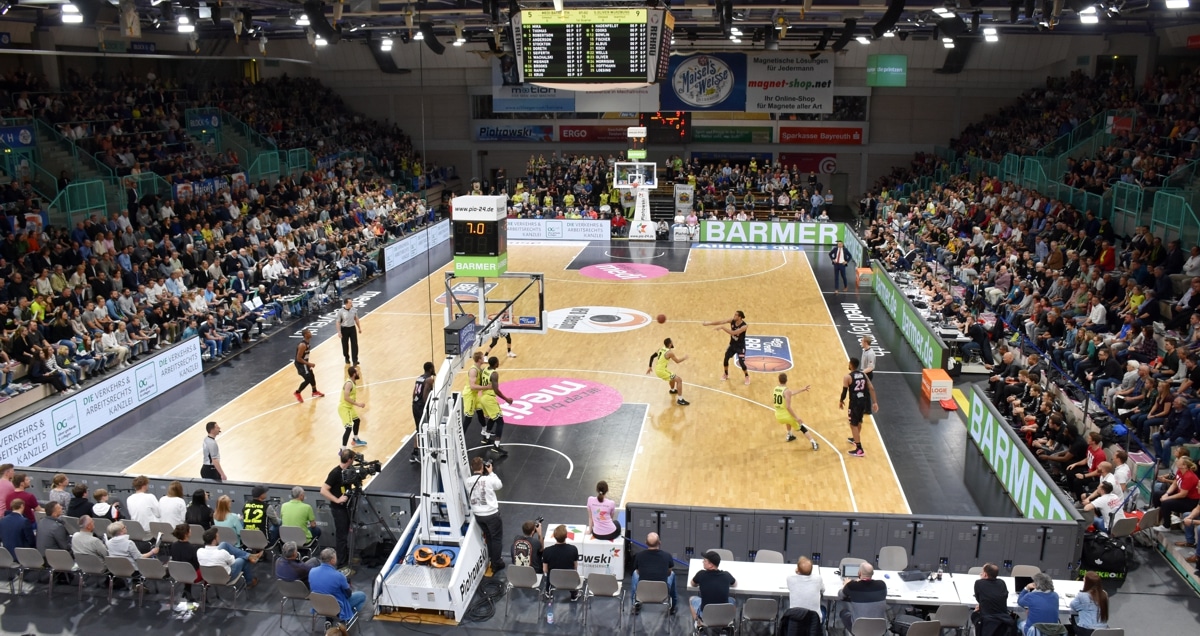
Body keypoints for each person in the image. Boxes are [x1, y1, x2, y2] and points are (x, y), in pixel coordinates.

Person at [309, 547, 367, 624]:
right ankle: (347, 620)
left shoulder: (312, 571)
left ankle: (329, 619)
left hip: (318, 606)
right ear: (332, 560)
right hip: (336, 607)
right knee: (362, 596)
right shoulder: (339, 576)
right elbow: (348, 594)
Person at [467, 456, 505, 573]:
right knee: (496, 538)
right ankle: (496, 562)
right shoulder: (488, 479)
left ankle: (491, 558)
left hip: (479, 515)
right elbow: (499, 485)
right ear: (483, 467)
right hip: (491, 514)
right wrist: (491, 472)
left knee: (488, 537)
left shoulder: (468, 481)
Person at [320, 450, 356, 569]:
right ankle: (341, 563)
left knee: (345, 534)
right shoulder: (335, 473)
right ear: (350, 459)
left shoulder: (348, 471)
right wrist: (337, 500)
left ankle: (346, 557)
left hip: (347, 507)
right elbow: (323, 490)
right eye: (353, 459)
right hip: (339, 509)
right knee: (341, 536)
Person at [839, 357, 879, 458]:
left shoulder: (848, 377)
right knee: (859, 421)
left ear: (851, 365)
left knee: (853, 425)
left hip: (854, 402)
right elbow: (872, 388)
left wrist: (841, 401)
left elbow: (844, 391)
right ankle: (855, 439)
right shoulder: (863, 374)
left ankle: (859, 449)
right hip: (863, 401)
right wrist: (874, 402)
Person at [631, 531, 677, 615]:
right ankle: (673, 606)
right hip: (662, 593)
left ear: (645, 543)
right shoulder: (667, 556)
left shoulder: (639, 555)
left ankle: (635, 604)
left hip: (643, 592)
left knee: (634, 573)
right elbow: (669, 573)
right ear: (659, 542)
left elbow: (638, 571)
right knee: (673, 574)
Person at [773, 372, 821, 450]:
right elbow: (788, 407)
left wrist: (803, 389)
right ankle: (813, 443)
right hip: (785, 414)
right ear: (786, 380)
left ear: (779, 380)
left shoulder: (776, 389)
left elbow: (791, 393)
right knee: (801, 427)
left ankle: (789, 435)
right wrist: (797, 417)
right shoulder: (786, 391)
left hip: (778, 415)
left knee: (788, 421)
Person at [689, 550, 736, 628]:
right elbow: (734, 584)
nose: (703, 562)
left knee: (691, 599)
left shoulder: (701, 574)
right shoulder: (726, 575)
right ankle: (730, 620)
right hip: (724, 615)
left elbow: (692, 584)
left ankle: (698, 622)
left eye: (705, 561)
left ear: (711, 565)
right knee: (732, 600)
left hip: (706, 614)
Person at [702, 310, 750, 385]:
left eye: (736, 315)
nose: (734, 316)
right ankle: (726, 374)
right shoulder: (732, 320)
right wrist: (709, 323)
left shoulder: (744, 326)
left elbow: (734, 333)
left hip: (740, 347)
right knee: (726, 358)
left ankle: (747, 376)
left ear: (740, 317)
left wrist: (722, 328)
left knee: (741, 362)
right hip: (732, 345)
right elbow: (721, 321)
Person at [479, 356, 515, 455]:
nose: (499, 363)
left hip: (483, 397)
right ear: (495, 364)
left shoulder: (485, 369)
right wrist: (506, 399)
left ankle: (486, 438)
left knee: (492, 418)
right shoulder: (494, 374)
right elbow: (496, 390)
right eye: (498, 362)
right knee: (500, 422)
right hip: (489, 399)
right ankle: (496, 445)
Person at [839, 561, 887, 630]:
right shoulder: (882, 585)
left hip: (858, 629)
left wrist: (845, 585)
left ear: (859, 573)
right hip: (879, 630)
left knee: (843, 612)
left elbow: (841, 596)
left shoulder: (852, 586)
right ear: (873, 573)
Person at [541, 524, 581, 599]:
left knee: (550, 573)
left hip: (553, 578)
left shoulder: (547, 551)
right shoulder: (573, 549)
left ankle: (548, 591)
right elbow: (575, 567)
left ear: (554, 536)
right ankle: (574, 593)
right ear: (566, 536)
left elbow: (545, 570)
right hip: (569, 578)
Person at [647, 337, 690, 406]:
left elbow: (652, 357)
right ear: (670, 344)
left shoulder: (661, 349)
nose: (673, 343)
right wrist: (684, 358)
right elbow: (677, 361)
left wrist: (650, 367)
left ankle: (672, 390)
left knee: (672, 377)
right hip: (661, 371)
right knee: (679, 380)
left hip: (660, 369)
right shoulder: (669, 353)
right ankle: (680, 400)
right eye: (672, 342)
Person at [410, 361, 436, 464]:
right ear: (430, 369)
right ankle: (427, 453)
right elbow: (425, 395)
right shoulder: (429, 380)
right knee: (425, 429)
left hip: (415, 405)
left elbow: (413, 393)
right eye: (433, 368)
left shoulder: (419, 378)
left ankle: (414, 454)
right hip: (422, 406)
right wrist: (427, 408)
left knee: (419, 429)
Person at [169, 524, 203, 601]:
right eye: (190, 530)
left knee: (186, 569)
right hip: (192, 576)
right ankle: (204, 592)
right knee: (206, 570)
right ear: (186, 534)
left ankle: (187, 590)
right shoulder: (192, 548)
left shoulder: (173, 545)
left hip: (177, 574)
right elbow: (196, 566)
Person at [1069, 571, 1109, 636]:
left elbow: (1073, 606)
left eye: (1084, 580)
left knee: (1073, 617)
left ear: (1087, 583)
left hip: (1086, 631)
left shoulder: (1082, 595)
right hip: (1103, 630)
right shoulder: (1104, 594)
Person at [338, 365, 368, 450]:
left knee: (357, 420)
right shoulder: (348, 383)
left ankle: (355, 440)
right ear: (354, 374)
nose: (358, 373)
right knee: (348, 428)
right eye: (357, 372)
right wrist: (358, 404)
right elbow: (346, 397)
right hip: (344, 408)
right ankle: (343, 449)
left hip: (349, 407)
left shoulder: (352, 382)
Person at [972, 563, 1010, 628]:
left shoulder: (979, 583)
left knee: (974, 615)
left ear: (985, 574)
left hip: (986, 618)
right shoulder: (1001, 582)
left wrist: (982, 579)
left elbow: (979, 599)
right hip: (1002, 619)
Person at [294, 329, 324, 403]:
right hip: (300, 364)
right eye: (309, 332)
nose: (311, 333)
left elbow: (305, 356)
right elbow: (298, 358)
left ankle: (314, 392)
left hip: (305, 363)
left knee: (312, 376)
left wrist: (307, 363)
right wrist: (309, 364)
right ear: (305, 335)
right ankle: (297, 392)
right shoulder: (302, 345)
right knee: (308, 379)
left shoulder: (308, 343)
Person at [461, 351, 485, 434]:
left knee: (480, 410)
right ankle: (461, 437)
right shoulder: (473, 371)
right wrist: (486, 387)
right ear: (479, 360)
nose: (484, 358)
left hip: (475, 394)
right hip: (470, 394)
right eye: (482, 357)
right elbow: (472, 386)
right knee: (468, 417)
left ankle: (484, 430)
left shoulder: (480, 369)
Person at [335, 298, 362, 366]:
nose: (351, 304)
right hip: (344, 329)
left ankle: (355, 360)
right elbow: (338, 322)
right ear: (346, 303)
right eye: (350, 303)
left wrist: (359, 328)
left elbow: (356, 319)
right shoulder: (341, 311)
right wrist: (339, 332)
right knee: (345, 345)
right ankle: (346, 357)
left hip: (352, 328)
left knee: (355, 344)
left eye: (351, 302)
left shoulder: (354, 310)